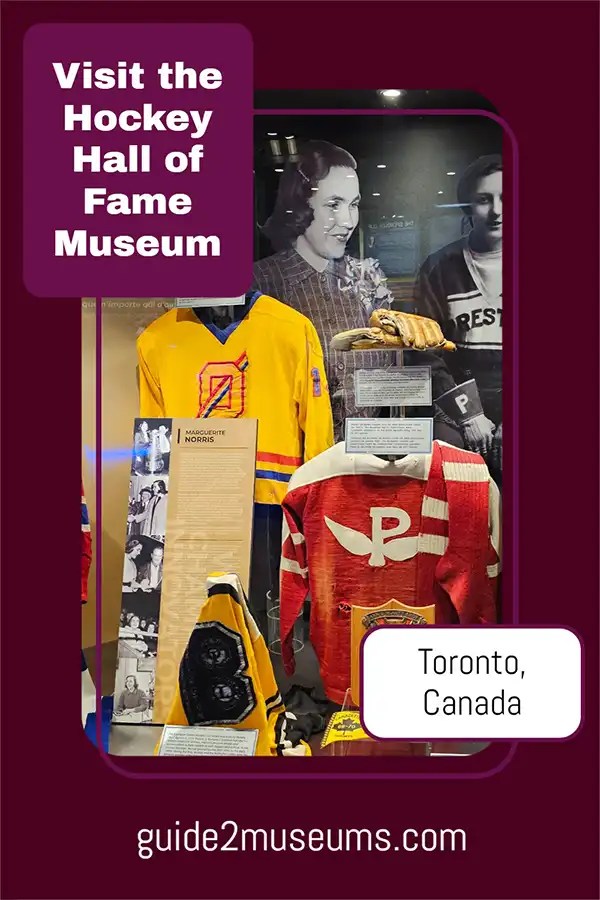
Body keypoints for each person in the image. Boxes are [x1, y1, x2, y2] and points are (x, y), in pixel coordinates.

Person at [253, 140, 393, 441]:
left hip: (365, 455)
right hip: (290, 457)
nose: (347, 221)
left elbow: (394, 368)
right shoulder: (261, 283)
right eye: (333, 204)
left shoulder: (368, 278)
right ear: (300, 205)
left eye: (353, 205)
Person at [410, 154, 503, 479]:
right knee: (458, 495)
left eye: (506, 198)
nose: (497, 211)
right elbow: (424, 350)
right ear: (467, 206)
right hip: (459, 404)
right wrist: (468, 414)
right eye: (484, 200)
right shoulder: (440, 267)